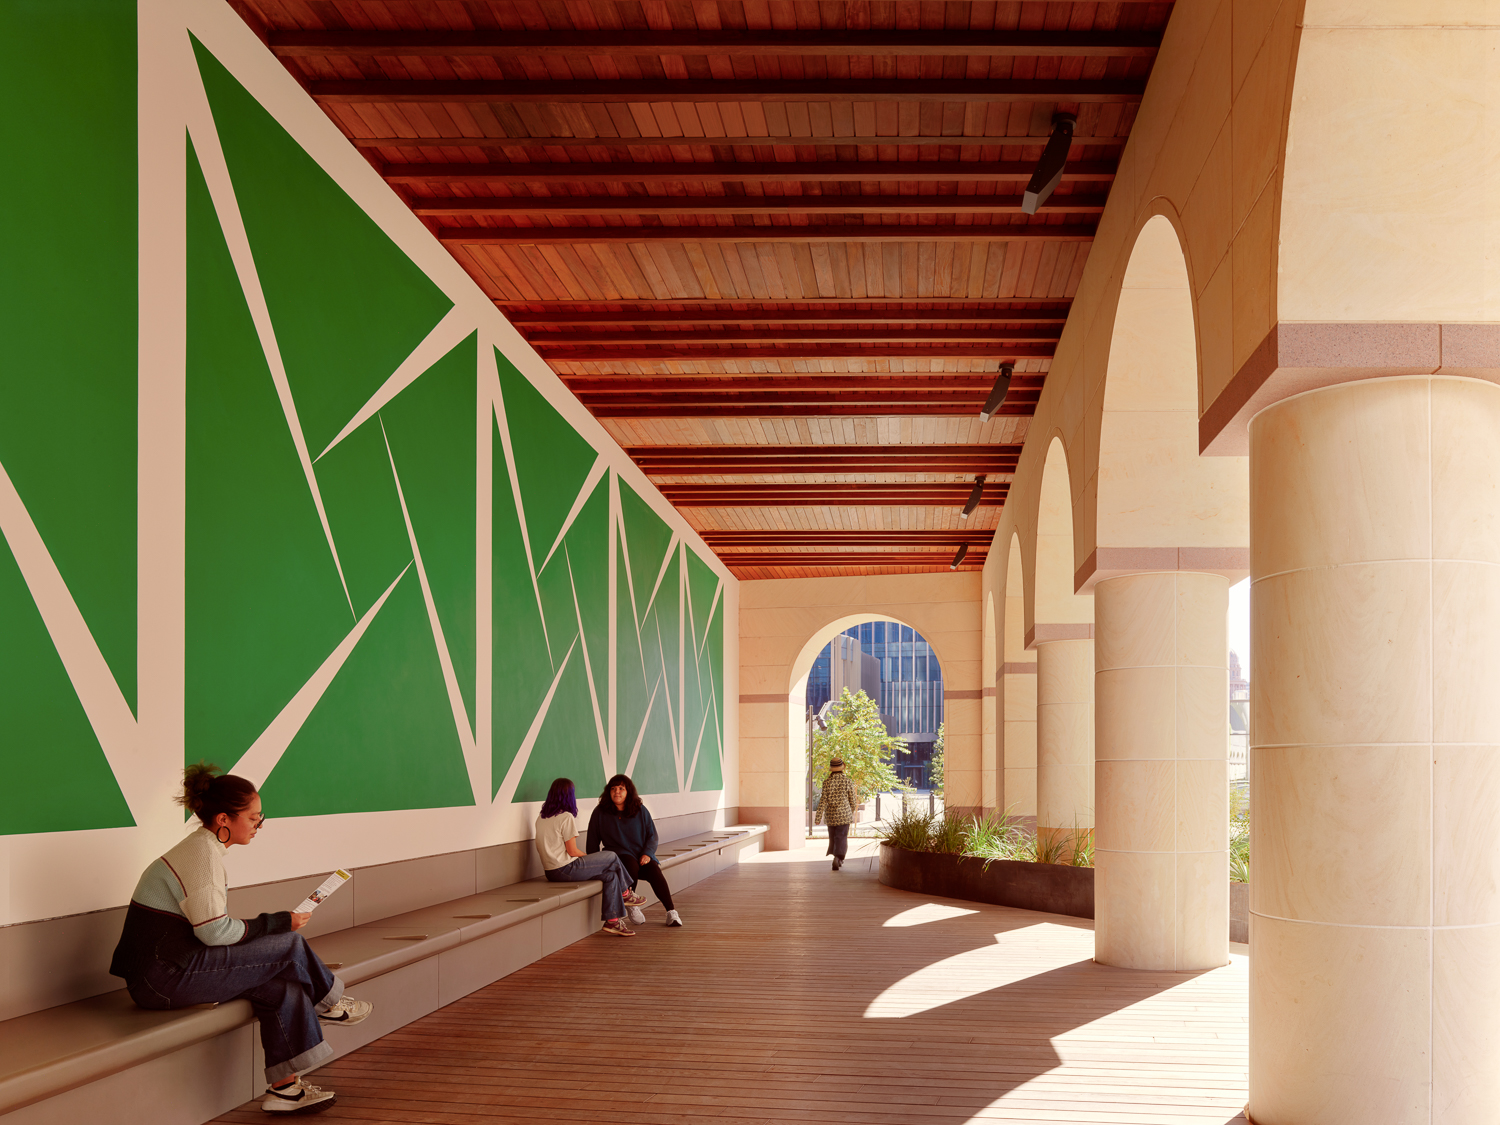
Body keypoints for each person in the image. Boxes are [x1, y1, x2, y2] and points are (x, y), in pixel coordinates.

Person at [109, 763, 373, 1115]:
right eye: (253, 819)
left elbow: (210, 933)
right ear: (223, 819)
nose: (258, 826)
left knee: (284, 985)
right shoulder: (201, 857)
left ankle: (285, 1090)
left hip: (176, 967)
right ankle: (330, 1002)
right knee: (291, 946)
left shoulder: (203, 850)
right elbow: (214, 932)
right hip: (161, 979)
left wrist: (275, 926)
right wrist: (279, 922)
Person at [535, 777, 648, 937]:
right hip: (565, 869)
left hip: (550, 871)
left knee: (610, 875)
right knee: (611, 856)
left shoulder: (542, 818)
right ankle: (626, 894)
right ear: (569, 796)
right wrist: (589, 859)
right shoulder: (565, 817)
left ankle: (612, 921)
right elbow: (573, 851)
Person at [587, 774, 683, 928]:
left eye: (621, 788)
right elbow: (592, 841)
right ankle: (632, 905)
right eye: (613, 789)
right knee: (629, 864)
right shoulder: (600, 812)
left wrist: (647, 853)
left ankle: (671, 912)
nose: (617, 792)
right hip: (616, 856)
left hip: (640, 855)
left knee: (654, 871)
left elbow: (652, 835)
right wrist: (593, 865)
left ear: (628, 791)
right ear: (608, 792)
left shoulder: (640, 810)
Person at [814, 757, 859, 871]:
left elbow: (823, 800)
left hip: (831, 816)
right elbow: (852, 800)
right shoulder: (847, 781)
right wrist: (850, 811)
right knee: (841, 837)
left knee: (833, 837)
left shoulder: (827, 783)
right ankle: (838, 857)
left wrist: (818, 817)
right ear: (842, 768)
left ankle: (835, 855)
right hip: (844, 815)